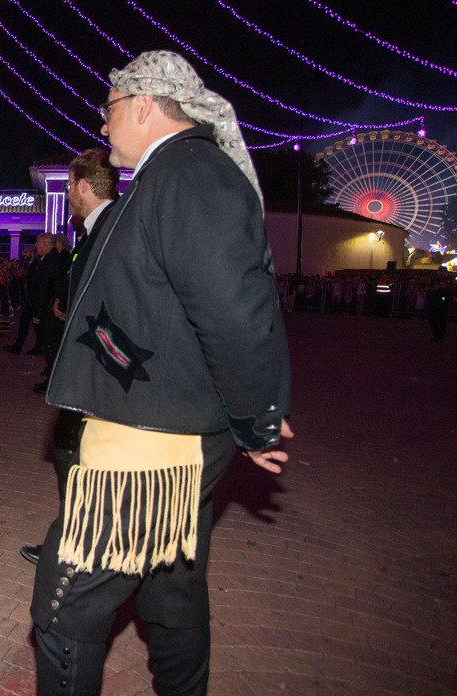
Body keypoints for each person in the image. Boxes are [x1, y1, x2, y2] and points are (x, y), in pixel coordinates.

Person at [32, 51, 293, 696]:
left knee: (66, 604)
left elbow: (236, 311)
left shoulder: (191, 175)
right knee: (170, 589)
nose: (102, 123)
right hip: (162, 423)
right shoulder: (170, 176)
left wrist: (257, 420)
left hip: (148, 443)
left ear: (144, 105)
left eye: (109, 107)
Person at [21, 147, 119, 565]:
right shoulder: (97, 229)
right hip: (90, 363)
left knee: (77, 454)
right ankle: (80, 540)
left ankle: (78, 547)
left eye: (67, 186)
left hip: (100, 368)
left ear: (81, 186)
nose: (67, 194)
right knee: (72, 451)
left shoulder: (113, 228)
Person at [29, 232, 67, 394]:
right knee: (51, 345)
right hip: (50, 309)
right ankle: (52, 380)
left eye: (37, 243)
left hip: (49, 311)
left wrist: (38, 312)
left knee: (50, 345)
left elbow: (46, 289)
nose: (36, 246)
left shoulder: (50, 261)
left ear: (45, 244)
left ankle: (52, 383)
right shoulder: (52, 259)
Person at [426, 267, 450, 342]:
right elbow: (427, 287)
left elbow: (442, 286)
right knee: (432, 318)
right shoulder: (434, 279)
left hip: (443, 302)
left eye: (443, 271)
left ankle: (440, 336)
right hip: (433, 301)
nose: (441, 273)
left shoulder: (448, 279)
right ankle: (436, 335)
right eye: (440, 271)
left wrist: (433, 289)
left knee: (441, 319)